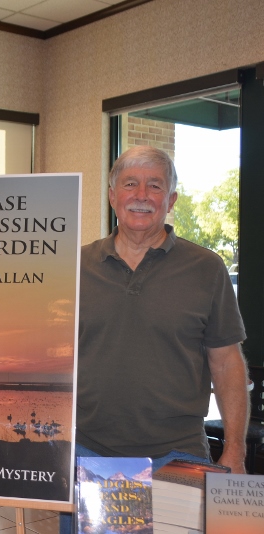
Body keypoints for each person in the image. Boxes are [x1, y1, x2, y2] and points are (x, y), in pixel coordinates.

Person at [62, 145, 249, 531]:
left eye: (155, 186)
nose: (142, 195)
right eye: (130, 184)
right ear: (113, 195)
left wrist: (235, 448)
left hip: (178, 456)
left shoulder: (206, 269)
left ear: (171, 199)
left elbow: (227, 362)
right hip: (91, 455)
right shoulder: (74, 267)